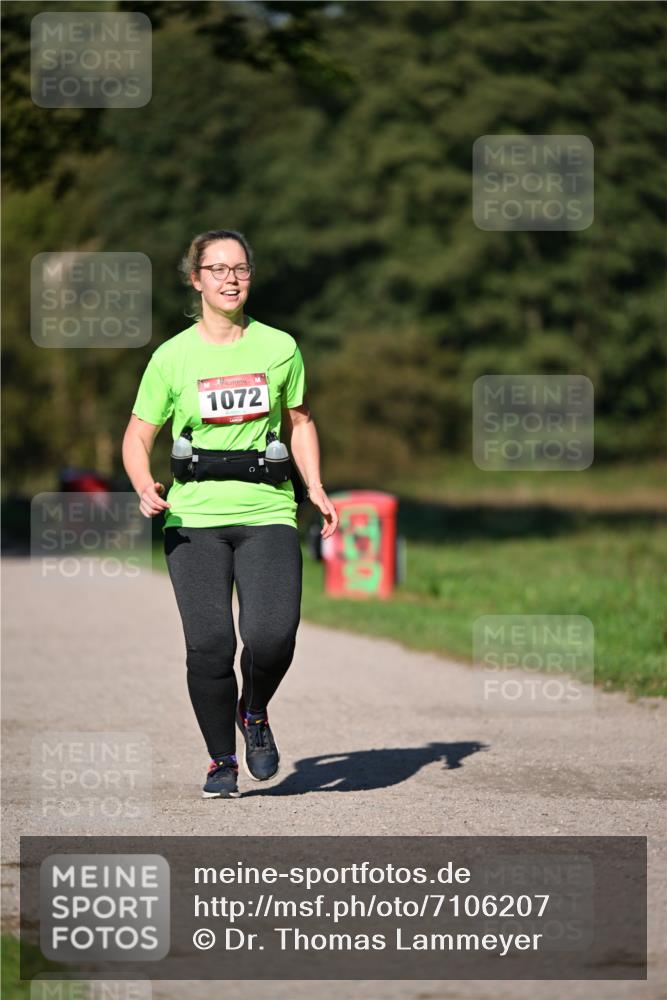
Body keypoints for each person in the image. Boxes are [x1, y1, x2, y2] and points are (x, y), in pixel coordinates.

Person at [122, 229, 338, 799]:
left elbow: (301, 421)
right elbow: (137, 435)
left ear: (251, 275)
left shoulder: (279, 347)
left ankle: (255, 711)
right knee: (211, 645)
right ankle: (221, 759)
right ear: (196, 280)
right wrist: (144, 484)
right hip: (193, 518)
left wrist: (314, 485)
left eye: (239, 268)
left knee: (271, 638)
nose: (229, 279)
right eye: (216, 269)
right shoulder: (172, 356)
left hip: (268, 507)